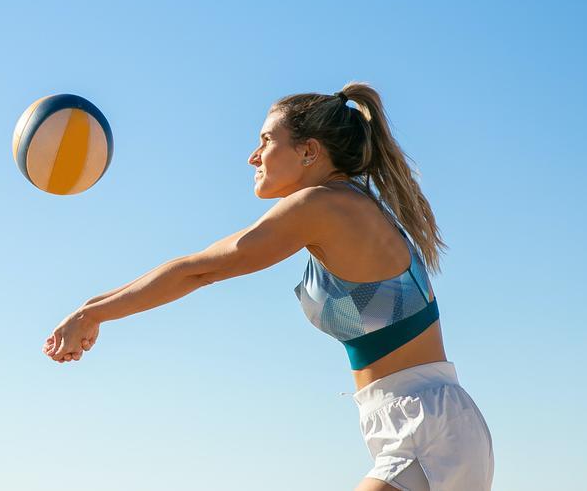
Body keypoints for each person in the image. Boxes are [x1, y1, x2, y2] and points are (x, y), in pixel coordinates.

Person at [42, 82, 495, 491]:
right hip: (426, 423)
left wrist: (92, 314)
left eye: (264, 141)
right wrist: (90, 307)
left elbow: (199, 271)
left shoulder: (323, 206)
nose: (252, 157)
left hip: (426, 429)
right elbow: (191, 265)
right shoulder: (343, 205)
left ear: (308, 151)